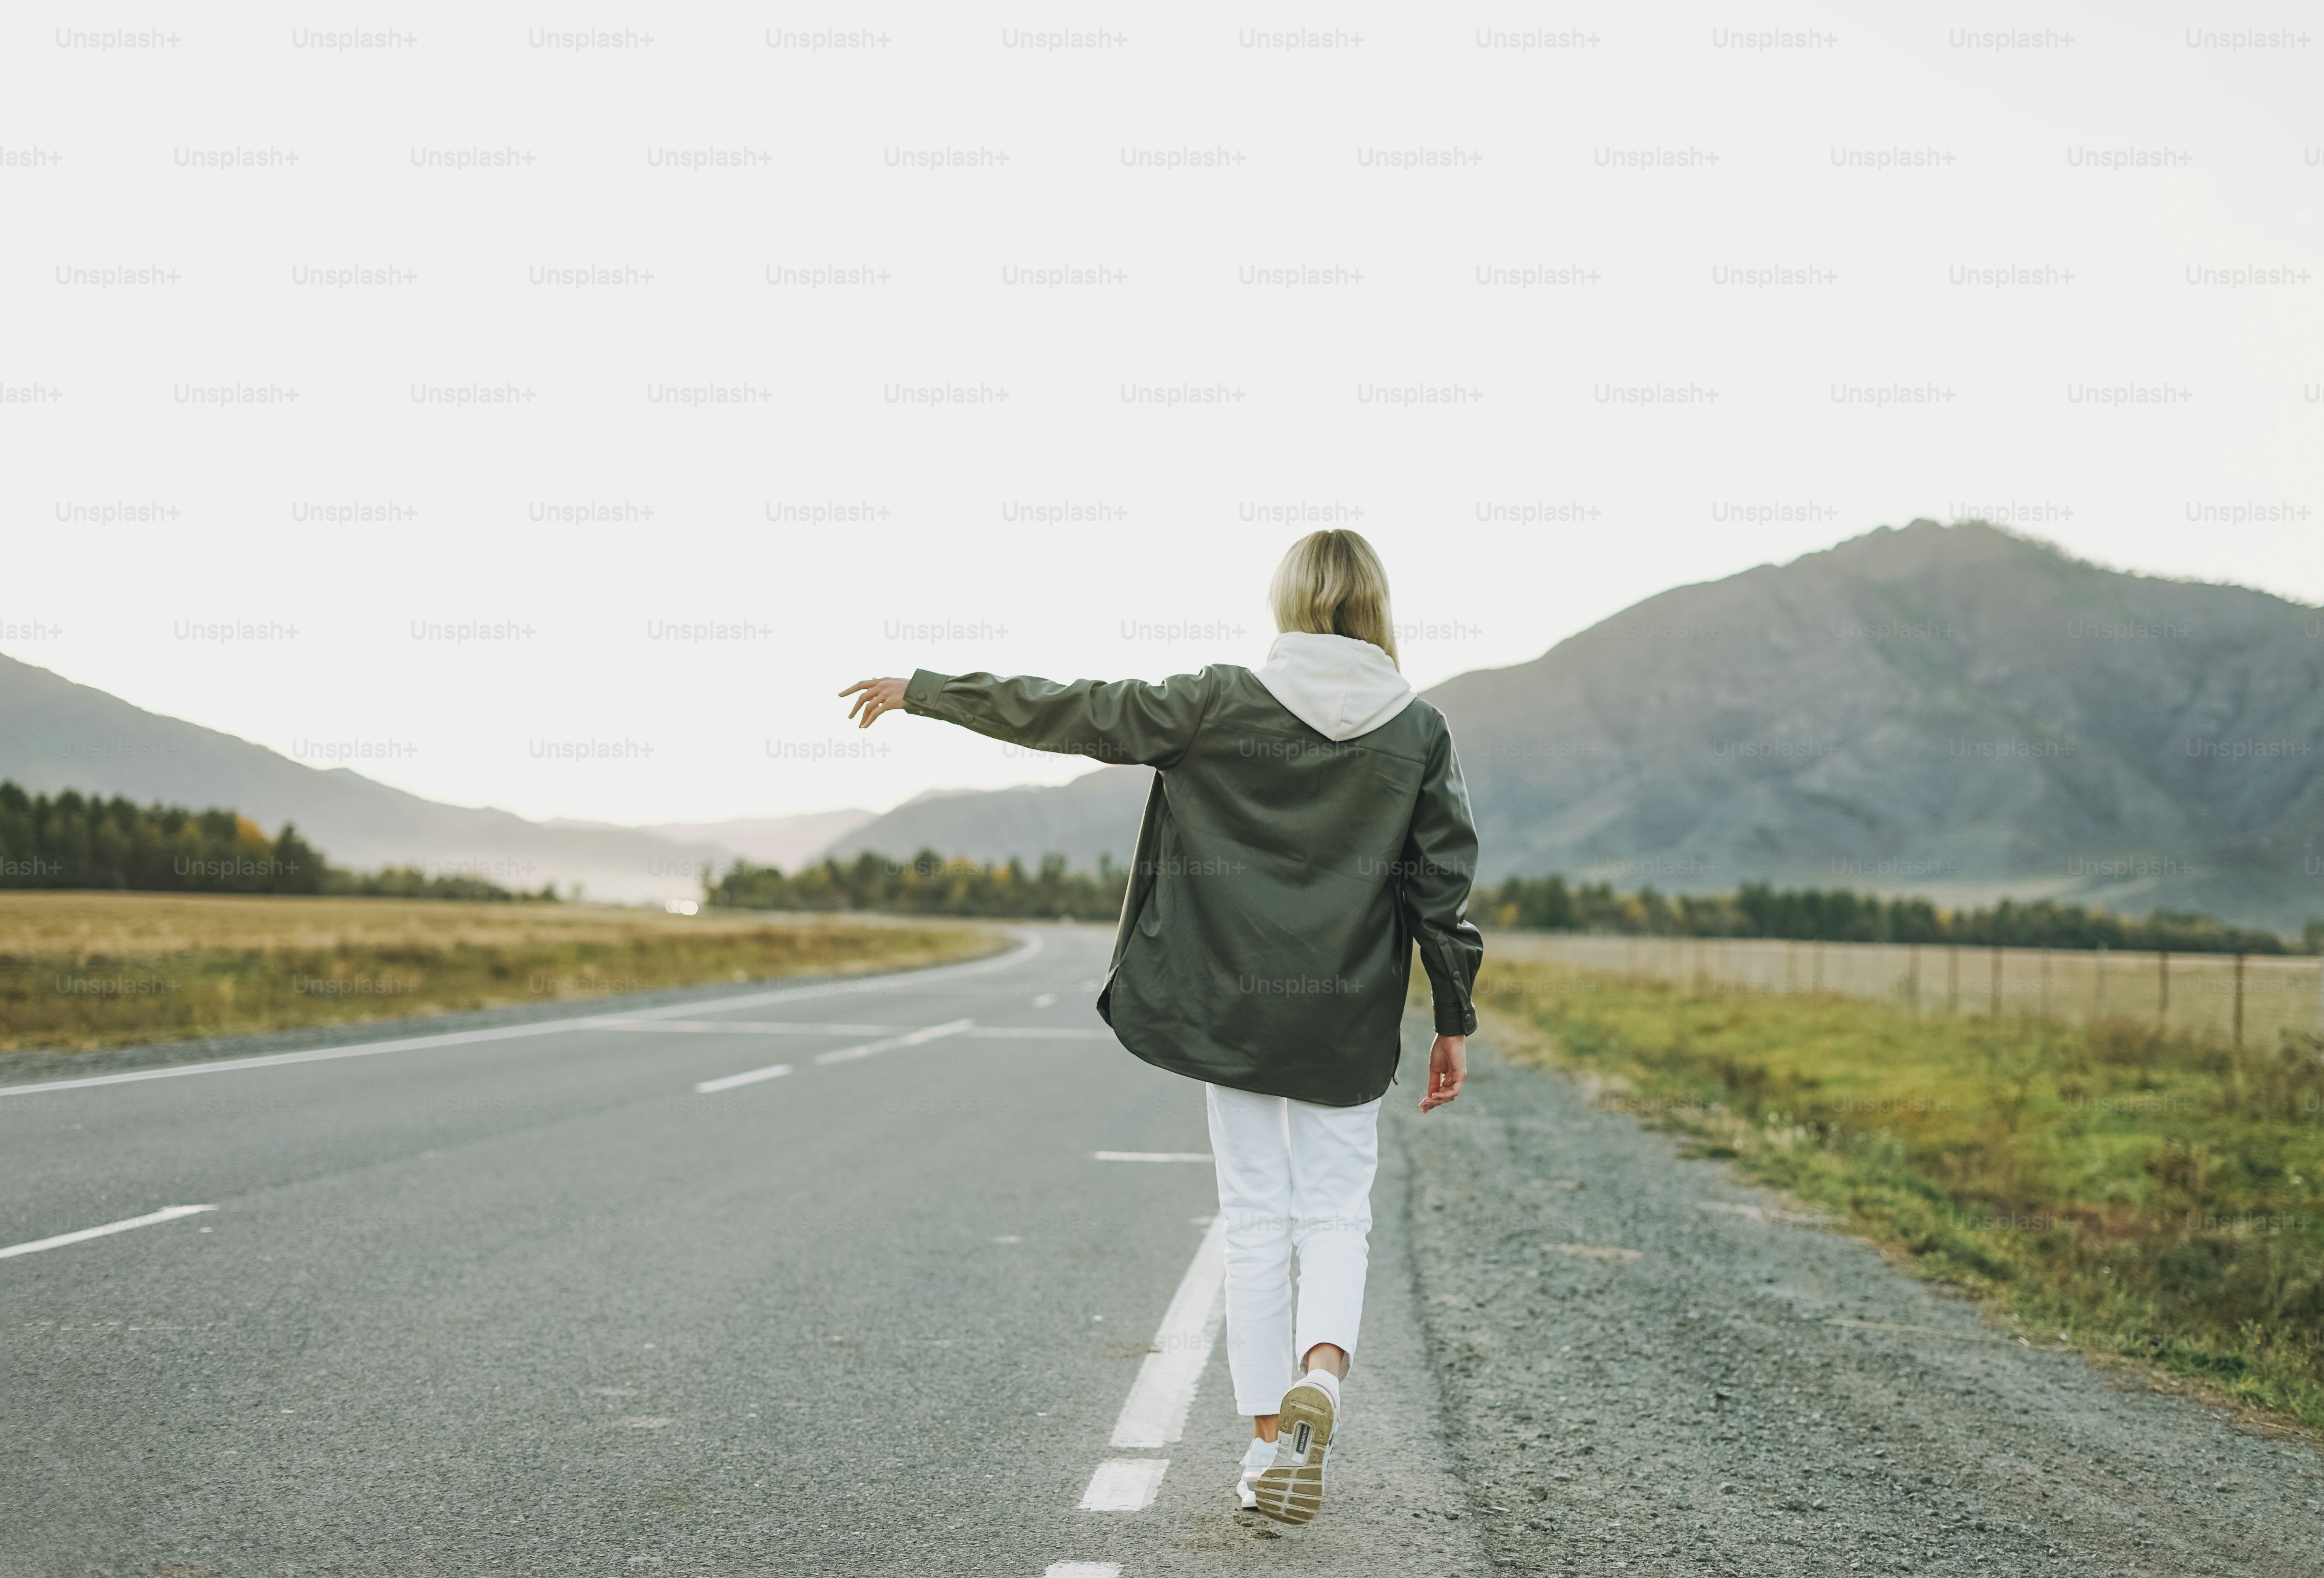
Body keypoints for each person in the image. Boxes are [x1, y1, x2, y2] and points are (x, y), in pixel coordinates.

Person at [840, 529, 1482, 1525]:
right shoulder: (1419, 731)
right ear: (1376, 606)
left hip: (1232, 1006)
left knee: (1259, 1219)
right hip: (1346, 1018)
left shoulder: (1220, 700)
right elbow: (1441, 887)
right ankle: (1325, 1376)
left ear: (1288, 602)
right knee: (1336, 1212)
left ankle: (1271, 1444)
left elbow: (1075, 710)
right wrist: (1453, 1015)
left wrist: (929, 688)